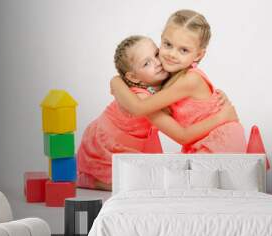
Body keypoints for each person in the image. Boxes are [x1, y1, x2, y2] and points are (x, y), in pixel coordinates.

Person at [77, 35, 238, 191]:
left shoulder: (161, 82)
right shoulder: (142, 99)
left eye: (155, 54)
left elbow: (188, 95)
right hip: (107, 146)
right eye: (146, 63)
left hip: (131, 141)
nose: (157, 63)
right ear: (133, 77)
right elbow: (183, 135)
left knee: (152, 175)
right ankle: (91, 181)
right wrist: (222, 117)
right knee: (139, 183)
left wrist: (216, 95)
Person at [111, 10, 247, 154]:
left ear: (198, 55)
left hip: (221, 139)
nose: (172, 54)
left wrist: (116, 81)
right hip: (200, 140)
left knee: (183, 172)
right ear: (161, 39)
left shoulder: (189, 79)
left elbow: (139, 108)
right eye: (168, 44)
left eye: (183, 50)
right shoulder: (168, 74)